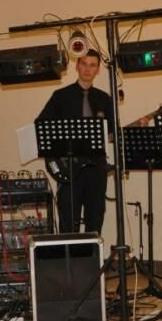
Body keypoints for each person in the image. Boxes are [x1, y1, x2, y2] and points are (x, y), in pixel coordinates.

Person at [36, 49, 113, 234]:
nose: (87, 69)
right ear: (77, 66)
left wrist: (131, 127)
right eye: (84, 64)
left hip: (96, 169)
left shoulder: (104, 99)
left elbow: (111, 134)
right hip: (69, 168)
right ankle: (69, 253)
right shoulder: (60, 96)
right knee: (68, 222)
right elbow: (41, 125)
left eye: (92, 65)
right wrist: (57, 156)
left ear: (98, 70)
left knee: (95, 219)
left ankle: (93, 253)